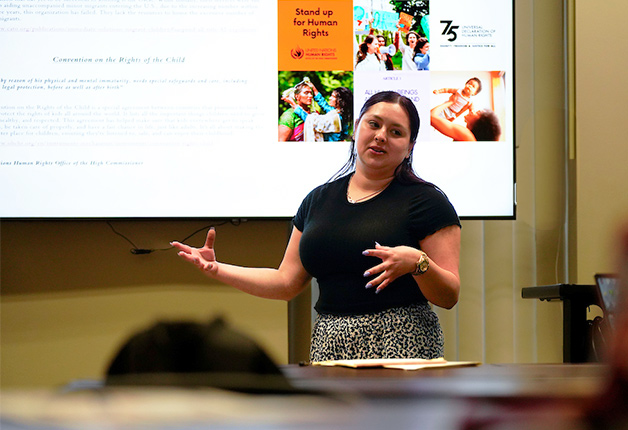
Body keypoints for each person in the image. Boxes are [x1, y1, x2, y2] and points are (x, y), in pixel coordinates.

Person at [172, 91, 462, 362]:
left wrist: (417, 262)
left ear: (410, 146)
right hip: (329, 343)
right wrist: (218, 268)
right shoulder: (318, 200)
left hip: (401, 342)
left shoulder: (427, 201)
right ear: (356, 128)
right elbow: (286, 283)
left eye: (396, 132)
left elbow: (448, 296)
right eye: (373, 124)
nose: (381, 136)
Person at [282, 82, 353, 142]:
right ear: (297, 96)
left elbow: (312, 121)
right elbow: (324, 105)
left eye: (333, 97)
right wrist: (315, 90)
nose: (329, 98)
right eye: (306, 93)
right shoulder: (337, 112)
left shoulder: (336, 117)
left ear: (340, 101)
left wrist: (294, 105)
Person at [431, 100, 502, 141]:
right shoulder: (470, 139)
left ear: (481, 124)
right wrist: (463, 110)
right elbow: (448, 122)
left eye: (477, 112)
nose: (472, 111)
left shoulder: (467, 135)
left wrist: (450, 102)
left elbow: (431, 116)